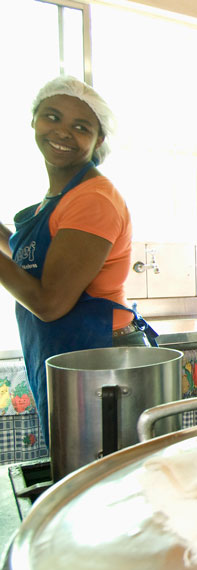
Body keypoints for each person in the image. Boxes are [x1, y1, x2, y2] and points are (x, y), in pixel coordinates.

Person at [0, 76, 155, 448]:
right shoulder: (54, 201)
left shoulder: (93, 200)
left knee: (105, 485)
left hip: (105, 364)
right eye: (52, 117)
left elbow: (50, 303)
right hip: (77, 357)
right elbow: (27, 261)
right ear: (34, 120)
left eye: (80, 127)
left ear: (97, 140)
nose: (63, 132)